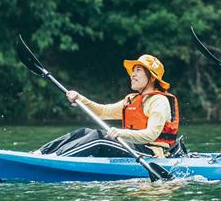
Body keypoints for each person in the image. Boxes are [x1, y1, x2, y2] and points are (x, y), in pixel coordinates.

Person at [35, 55, 180, 158]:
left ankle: (56, 159)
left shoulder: (159, 101)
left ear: (152, 77)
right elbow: (102, 112)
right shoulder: (131, 100)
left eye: (139, 71)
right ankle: (41, 153)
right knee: (84, 132)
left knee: (99, 138)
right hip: (133, 146)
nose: (133, 75)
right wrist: (80, 98)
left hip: (151, 153)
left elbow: (151, 135)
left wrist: (121, 133)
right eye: (133, 71)